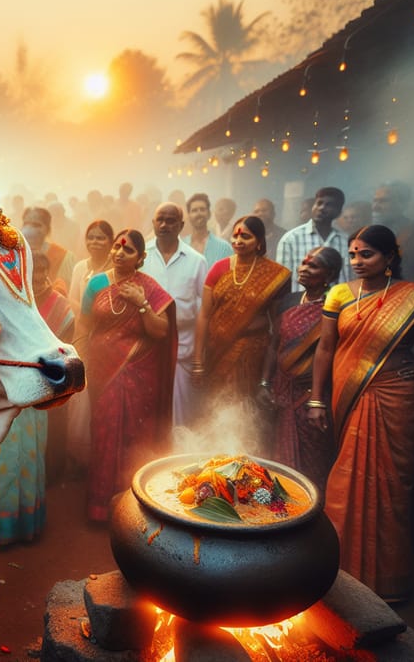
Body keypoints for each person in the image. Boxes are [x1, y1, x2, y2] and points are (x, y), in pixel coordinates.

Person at [307, 225, 414, 603]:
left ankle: (389, 583)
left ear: (390, 258)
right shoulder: (340, 294)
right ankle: (341, 576)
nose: (357, 262)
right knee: (344, 480)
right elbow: (325, 349)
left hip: (397, 397)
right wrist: (316, 399)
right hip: (349, 396)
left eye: (367, 254)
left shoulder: (412, 298)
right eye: (353, 254)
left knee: (392, 488)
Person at [79, 229, 177, 522]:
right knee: (104, 431)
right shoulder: (96, 282)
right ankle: (100, 505)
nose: (120, 252)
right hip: (101, 372)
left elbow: (161, 331)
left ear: (141, 258)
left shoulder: (149, 287)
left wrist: (142, 302)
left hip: (138, 376)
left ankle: (131, 505)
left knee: (135, 435)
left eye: (129, 249)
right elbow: (84, 326)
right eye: (118, 246)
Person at [0, 252, 75, 545]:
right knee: (0, 459)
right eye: (29, 272)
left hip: (35, 389)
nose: (35, 278)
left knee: (28, 455)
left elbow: (65, 347)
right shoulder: (2, 299)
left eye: (40, 272)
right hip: (4, 388)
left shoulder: (55, 305)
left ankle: (26, 524)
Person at [258, 247, 343, 495]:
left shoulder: (336, 306)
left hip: (312, 395)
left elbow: (329, 351)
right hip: (281, 392)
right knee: (277, 457)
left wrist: (317, 400)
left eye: (313, 266)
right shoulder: (289, 301)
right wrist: (264, 383)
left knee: (313, 462)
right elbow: (274, 344)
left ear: (330, 274)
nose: (304, 268)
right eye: (304, 263)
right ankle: (281, 508)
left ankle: (309, 512)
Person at [192, 216, 291, 426]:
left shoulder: (274, 275)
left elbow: (278, 323)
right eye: (235, 235)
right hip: (217, 350)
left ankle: (246, 452)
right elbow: (204, 315)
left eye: (246, 236)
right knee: (215, 408)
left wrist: (270, 372)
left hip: (253, 352)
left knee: (245, 409)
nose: (238, 241)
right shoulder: (219, 268)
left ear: (259, 242)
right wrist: (198, 361)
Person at [143, 202, 207, 427]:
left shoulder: (197, 261)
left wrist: (199, 359)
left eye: (171, 221)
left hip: (183, 352)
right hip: (146, 351)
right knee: (148, 415)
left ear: (181, 225)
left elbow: (204, 313)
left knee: (180, 419)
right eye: (160, 220)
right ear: (153, 223)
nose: (164, 225)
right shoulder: (141, 257)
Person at [66, 220, 114, 476]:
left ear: (111, 241)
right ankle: (78, 457)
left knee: (103, 397)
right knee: (79, 400)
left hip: (109, 338)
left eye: (101, 238)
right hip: (84, 334)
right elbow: (73, 300)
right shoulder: (79, 268)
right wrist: (86, 319)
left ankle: (101, 456)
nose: (95, 242)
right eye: (91, 237)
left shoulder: (115, 270)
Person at [276, 187, 350, 291]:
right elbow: (281, 282)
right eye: (319, 203)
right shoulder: (291, 239)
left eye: (329, 205)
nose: (321, 208)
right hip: (300, 304)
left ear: (338, 212)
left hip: (339, 305)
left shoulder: (346, 241)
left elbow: (350, 279)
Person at [372, 181, 414, 282]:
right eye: (375, 201)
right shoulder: (367, 232)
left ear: (402, 204)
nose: (375, 207)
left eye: (383, 201)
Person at [21, 206, 75, 294]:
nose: (30, 229)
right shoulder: (14, 254)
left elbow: (67, 292)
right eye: (26, 224)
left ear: (47, 229)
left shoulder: (63, 257)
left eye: (36, 225)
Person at [183, 193, 233, 268]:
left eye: (202, 209)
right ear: (188, 216)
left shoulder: (224, 248)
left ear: (209, 214)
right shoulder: (181, 246)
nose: (199, 213)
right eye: (194, 210)